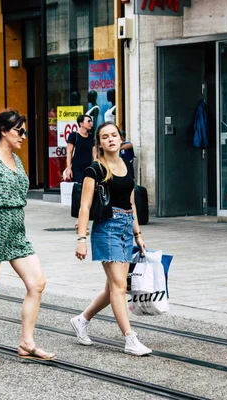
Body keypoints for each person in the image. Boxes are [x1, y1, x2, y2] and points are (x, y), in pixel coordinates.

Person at [0, 109, 56, 365]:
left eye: (24, 131)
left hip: (16, 229)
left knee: (37, 283)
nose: (24, 136)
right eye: (20, 131)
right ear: (4, 131)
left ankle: (27, 343)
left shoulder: (17, 161)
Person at [71, 121, 151, 356]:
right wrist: (81, 239)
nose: (110, 139)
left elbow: (132, 202)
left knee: (112, 287)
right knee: (119, 286)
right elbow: (84, 207)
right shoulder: (94, 170)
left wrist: (138, 234)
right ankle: (130, 338)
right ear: (100, 143)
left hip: (126, 227)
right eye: (105, 137)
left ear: (120, 138)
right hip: (107, 228)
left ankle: (82, 319)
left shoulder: (127, 165)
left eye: (114, 135)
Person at [66, 114, 96, 183]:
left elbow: (94, 153)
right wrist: (69, 169)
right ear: (81, 123)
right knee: (79, 187)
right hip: (77, 168)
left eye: (91, 121)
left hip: (89, 167)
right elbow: (69, 153)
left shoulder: (91, 137)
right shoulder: (73, 136)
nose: (91, 123)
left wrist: (95, 165)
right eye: (88, 121)